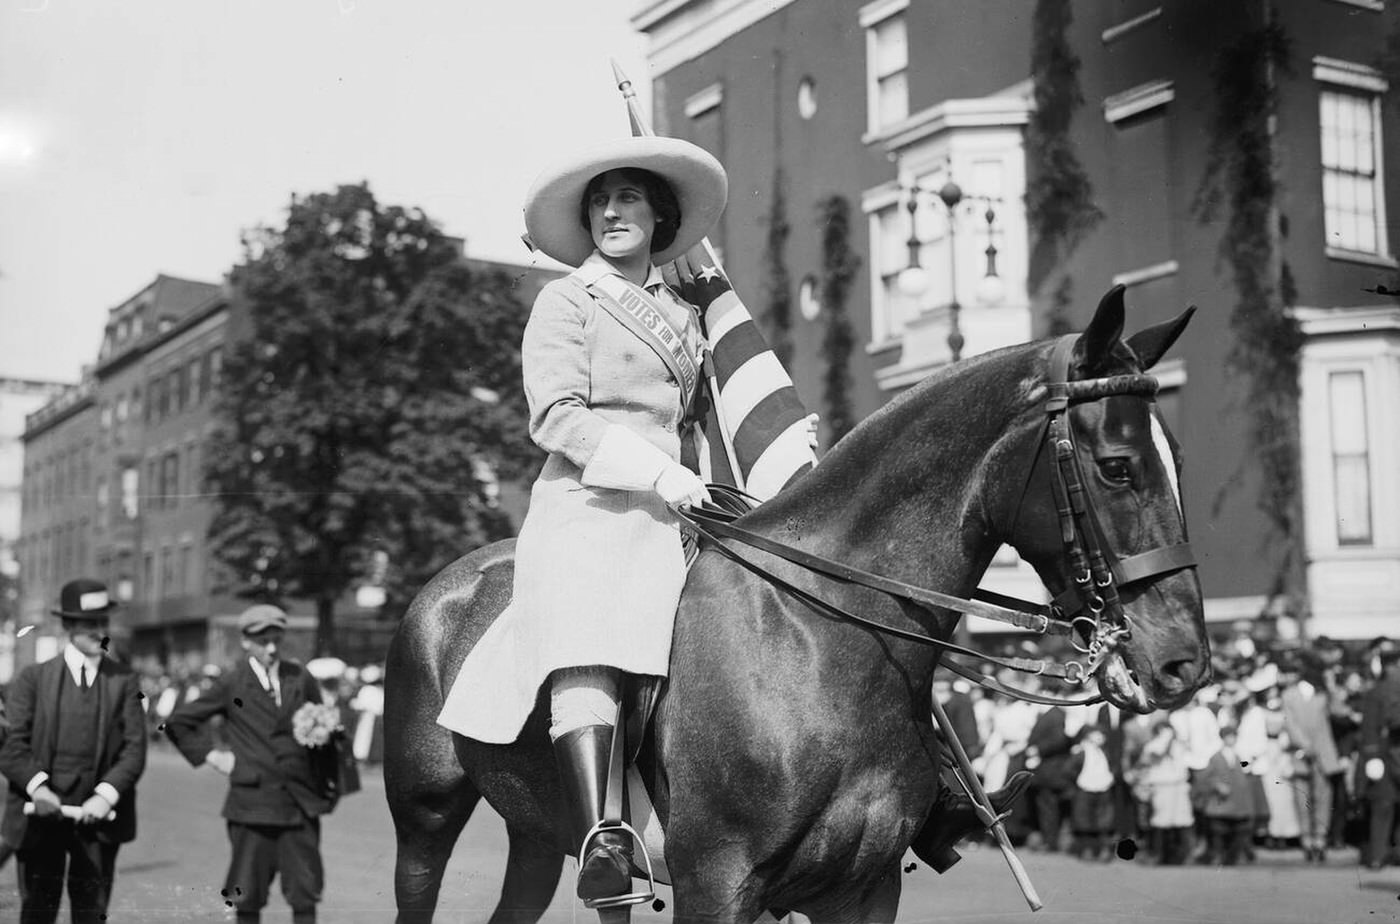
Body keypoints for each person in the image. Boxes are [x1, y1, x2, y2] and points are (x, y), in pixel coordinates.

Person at [163, 605, 335, 923]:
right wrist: (214, 757)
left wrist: (324, 735)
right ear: (245, 641)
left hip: (299, 804)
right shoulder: (232, 682)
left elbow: (321, 722)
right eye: (263, 640)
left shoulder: (300, 676)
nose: (271, 648)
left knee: (305, 894)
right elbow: (178, 723)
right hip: (252, 805)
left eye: (276, 640)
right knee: (248, 896)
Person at [0, 578, 147, 924]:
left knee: (90, 911)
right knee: (38, 910)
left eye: (102, 623)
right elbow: (11, 745)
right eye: (88, 624)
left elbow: (135, 748)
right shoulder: (33, 679)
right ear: (67, 625)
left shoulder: (123, 680)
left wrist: (106, 796)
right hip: (42, 817)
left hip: (98, 820)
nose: (98, 631)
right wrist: (39, 788)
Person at [1279, 652, 1342, 863]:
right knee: (1303, 797)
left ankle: (1320, 839)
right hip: (1301, 753)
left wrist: (1332, 687)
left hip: (1323, 753)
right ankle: (1307, 838)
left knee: (1324, 797)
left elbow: (1338, 712)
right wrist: (1305, 745)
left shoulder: (1323, 694)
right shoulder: (1289, 695)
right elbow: (1290, 724)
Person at [1359, 643, 1400, 869]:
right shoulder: (1378, 691)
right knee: (1384, 806)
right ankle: (1380, 854)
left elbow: (1368, 727)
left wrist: (1372, 755)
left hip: (1385, 755)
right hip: (1386, 755)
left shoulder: (1377, 690)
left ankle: (1378, 855)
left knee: (1382, 807)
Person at [1191, 724, 1254, 865]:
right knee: (1218, 833)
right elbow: (1207, 778)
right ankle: (1217, 856)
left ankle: (1234, 857)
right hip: (1221, 802)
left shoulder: (1240, 756)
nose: (1231, 739)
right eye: (1229, 736)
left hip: (1237, 803)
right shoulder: (1216, 757)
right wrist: (1218, 785)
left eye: (1233, 736)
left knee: (1238, 832)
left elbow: (1246, 775)